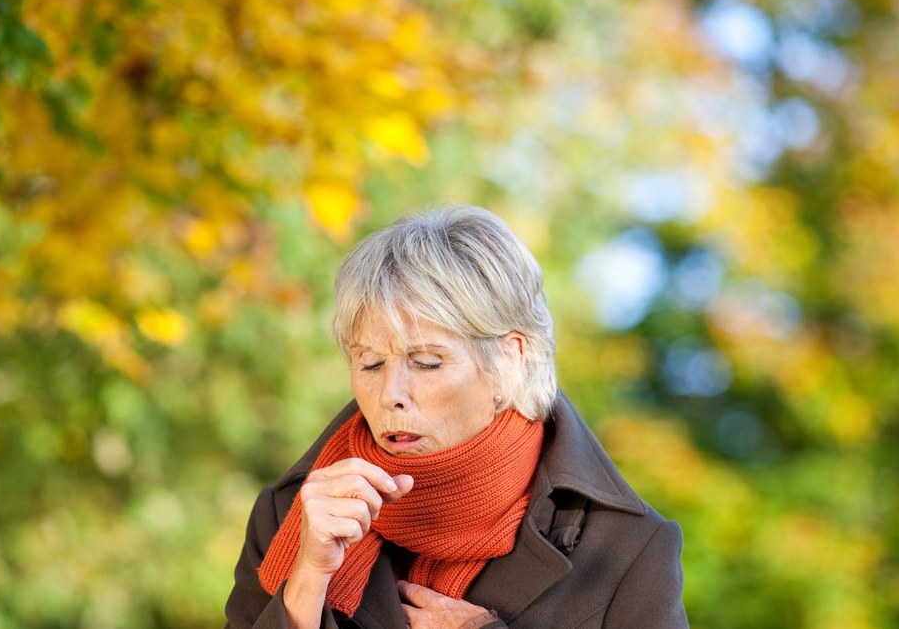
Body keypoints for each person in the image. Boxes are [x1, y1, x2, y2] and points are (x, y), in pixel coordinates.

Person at [225, 206, 688, 628]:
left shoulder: (628, 549)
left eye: (426, 362)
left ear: (510, 360)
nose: (391, 395)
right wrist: (306, 583)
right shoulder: (295, 514)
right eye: (369, 363)